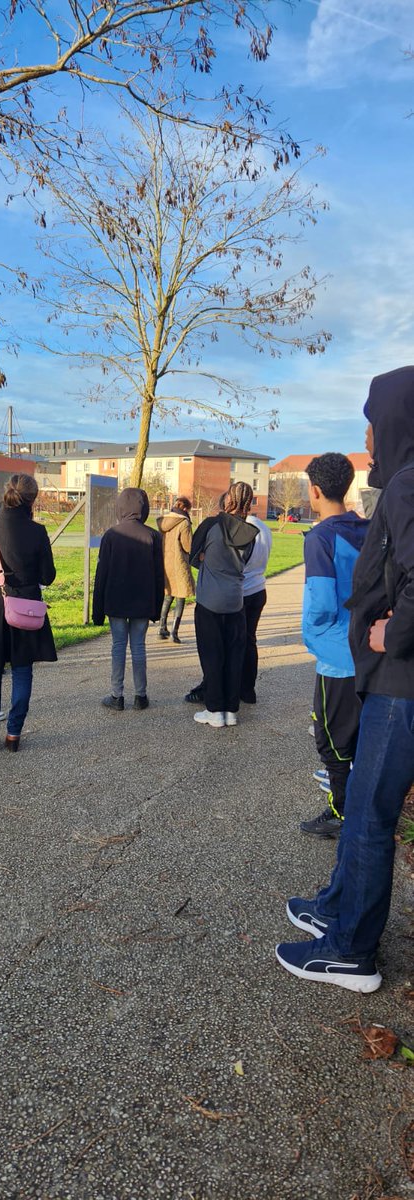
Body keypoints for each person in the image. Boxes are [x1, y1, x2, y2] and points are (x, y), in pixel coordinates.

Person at [276, 366, 414, 993]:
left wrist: (393, 633)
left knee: (369, 815)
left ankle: (350, 951)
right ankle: (337, 907)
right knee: (359, 802)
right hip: (389, 679)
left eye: (372, 421)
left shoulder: (407, 487)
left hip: (400, 684)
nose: (367, 437)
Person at [299, 453, 368, 839]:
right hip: (369, 650)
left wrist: (312, 634)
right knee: (360, 737)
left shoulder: (321, 537)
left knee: (332, 740)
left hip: (337, 656)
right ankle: (359, 804)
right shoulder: (369, 529)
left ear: (315, 490)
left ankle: (342, 814)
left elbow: (323, 602)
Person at [0, 473, 57, 751]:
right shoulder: (37, 531)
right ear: (33, 499)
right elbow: (48, 575)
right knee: (22, 669)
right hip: (25, 606)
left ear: (6, 493)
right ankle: (14, 734)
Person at [184, 484, 271, 706]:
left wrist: (206, 558)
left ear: (228, 500)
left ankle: (214, 703)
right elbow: (246, 559)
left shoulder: (213, 525)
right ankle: (238, 699)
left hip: (215, 596)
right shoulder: (253, 530)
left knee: (213, 652)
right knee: (238, 650)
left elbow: (194, 556)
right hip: (242, 593)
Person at [92, 487, 164, 711]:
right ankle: (140, 695)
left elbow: (101, 575)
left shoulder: (111, 535)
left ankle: (117, 695)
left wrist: (97, 611)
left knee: (118, 646)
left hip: (116, 600)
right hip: (143, 600)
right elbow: (159, 576)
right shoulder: (153, 536)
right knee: (139, 646)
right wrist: (157, 608)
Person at [240, 501, 272, 705]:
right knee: (250, 640)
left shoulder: (243, 528)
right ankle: (248, 689)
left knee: (235, 642)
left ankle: (234, 686)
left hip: (243, 589)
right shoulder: (264, 527)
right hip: (259, 587)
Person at [156, 496, 195, 643]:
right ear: (184, 508)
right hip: (179, 563)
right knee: (180, 596)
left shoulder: (163, 521)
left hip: (165, 562)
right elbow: (188, 546)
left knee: (168, 596)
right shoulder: (184, 522)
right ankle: (174, 632)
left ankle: (162, 628)